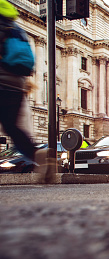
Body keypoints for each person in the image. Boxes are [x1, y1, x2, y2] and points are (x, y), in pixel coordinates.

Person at [0, 0, 36, 162]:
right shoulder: (16, 27)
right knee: (12, 127)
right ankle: (37, 154)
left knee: (10, 126)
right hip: (17, 85)